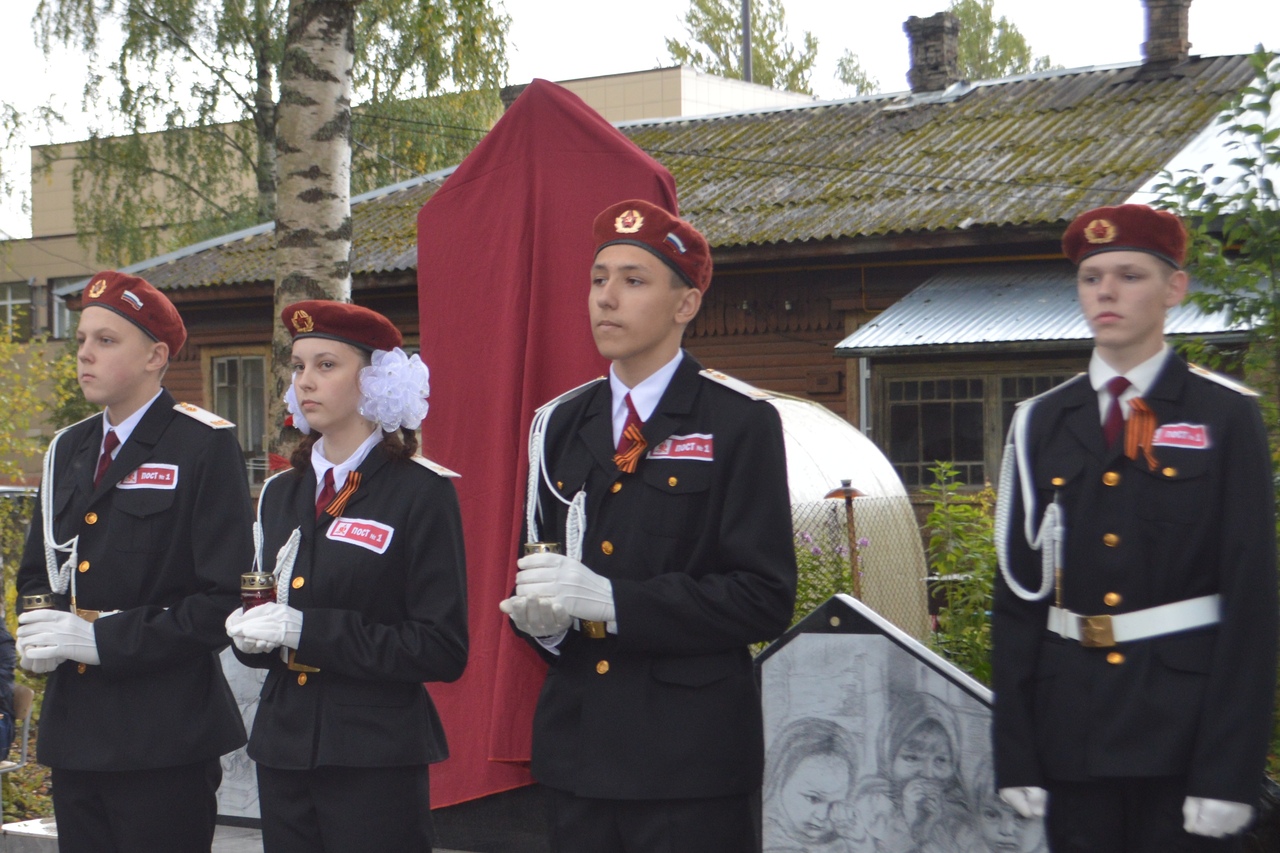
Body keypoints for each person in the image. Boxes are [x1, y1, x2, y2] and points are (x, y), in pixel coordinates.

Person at [500, 198, 797, 852]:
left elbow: (764, 596)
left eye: (634, 280)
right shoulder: (559, 423)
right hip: (579, 750)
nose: (607, 297)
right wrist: (545, 618)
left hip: (687, 760)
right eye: (598, 278)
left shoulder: (737, 421)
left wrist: (615, 600)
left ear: (685, 304)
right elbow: (542, 556)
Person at [992, 203, 1278, 852]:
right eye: (1092, 278)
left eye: (1130, 275)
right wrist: (1016, 751)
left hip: (1183, 735)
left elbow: (1252, 604)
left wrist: (1228, 772)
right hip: (1073, 734)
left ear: (1175, 287)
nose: (1107, 292)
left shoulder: (1223, 417)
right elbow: (1017, 600)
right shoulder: (1040, 421)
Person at [14, 271, 251, 852]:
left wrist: (103, 640)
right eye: (82, 341)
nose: (86, 355)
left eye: (106, 340)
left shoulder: (201, 444)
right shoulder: (68, 448)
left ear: (155, 355)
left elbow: (223, 597)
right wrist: (38, 635)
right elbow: (39, 573)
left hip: (162, 735)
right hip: (76, 732)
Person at [225, 300, 467, 853]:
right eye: (298, 365)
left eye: (326, 365)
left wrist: (306, 631)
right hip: (284, 750)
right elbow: (266, 610)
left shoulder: (420, 492)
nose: (305, 380)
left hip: (373, 757)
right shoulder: (282, 491)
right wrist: (249, 636)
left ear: (375, 381)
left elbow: (441, 647)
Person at [762, 717, 861, 853]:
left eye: (835, 805)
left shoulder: (842, 842)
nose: (822, 816)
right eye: (813, 799)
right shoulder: (764, 836)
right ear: (780, 778)